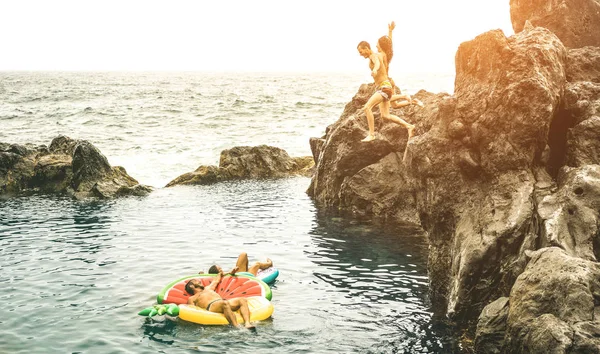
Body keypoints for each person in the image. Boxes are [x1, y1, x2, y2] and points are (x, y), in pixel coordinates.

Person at [357, 34, 415, 160]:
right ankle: (409, 126)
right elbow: (388, 49)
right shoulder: (378, 55)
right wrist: (390, 32)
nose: (361, 55)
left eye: (361, 52)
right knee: (385, 116)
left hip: (385, 87)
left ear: (366, 48)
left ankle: (371, 134)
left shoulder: (374, 56)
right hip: (384, 87)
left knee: (367, 108)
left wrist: (375, 70)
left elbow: (377, 63)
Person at [185, 270, 255, 329]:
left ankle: (247, 324)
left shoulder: (208, 288)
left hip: (222, 302)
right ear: (191, 286)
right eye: (195, 281)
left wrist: (230, 272)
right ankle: (236, 327)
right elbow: (193, 311)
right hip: (212, 306)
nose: (199, 281)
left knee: (242, 300)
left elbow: (217, 278)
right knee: (224, 303)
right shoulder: (192, 298)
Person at [385, 21, 424, 110]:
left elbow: (389, 46)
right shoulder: (386, 57)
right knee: (394, 105)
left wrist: (390, 31)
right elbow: (389, 46)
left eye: (377, 46)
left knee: (385, 98)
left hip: (387, 83)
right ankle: (413, 101)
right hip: (390, 82)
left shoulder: (383, 58)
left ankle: (405, 96)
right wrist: (390, 31)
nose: (376, 47)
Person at [207, 252, 272, 276]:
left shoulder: (222, 275)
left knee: (243, 254)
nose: (221, 269)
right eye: (220, 269)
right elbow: (221, 274)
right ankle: (269, 264)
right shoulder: (219, 276)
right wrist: (231, 272)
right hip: (244, 277)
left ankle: (247, 269)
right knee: (257, 264)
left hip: (239, 274)